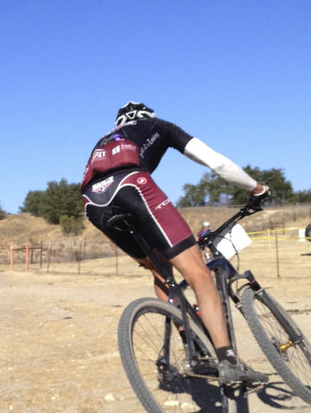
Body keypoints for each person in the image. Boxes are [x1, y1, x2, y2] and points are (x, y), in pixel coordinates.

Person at [81, 101, 269, 385]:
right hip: (132, 185)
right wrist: (256, 188)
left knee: (161, 271)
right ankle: (228, 361)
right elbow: (216, 162)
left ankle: (189, 338)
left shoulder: (104, 141)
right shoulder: (159, 126)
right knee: (199, 275)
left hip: (92, 202)